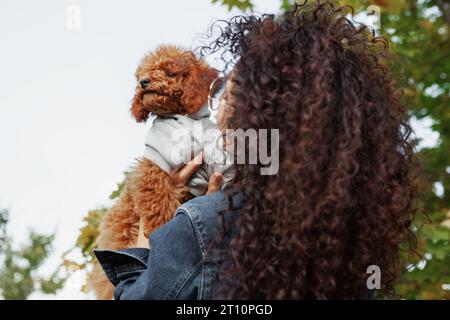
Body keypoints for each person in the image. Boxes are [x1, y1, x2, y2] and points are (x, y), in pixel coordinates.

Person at [94, 1, 418, 300]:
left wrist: (144, 238)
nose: (216, 111)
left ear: (252, 118)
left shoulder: (201, 224)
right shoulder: (351, 251)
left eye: (224, 97)